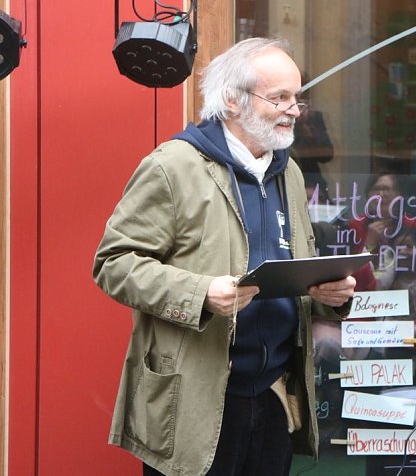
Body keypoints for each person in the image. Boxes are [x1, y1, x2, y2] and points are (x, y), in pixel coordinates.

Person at [92, 37, 356, 476]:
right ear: (232, 101)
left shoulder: (287, 170)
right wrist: (201, 293)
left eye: (297, 97)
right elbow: (114, 264)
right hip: (194, 403)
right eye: (281, 97)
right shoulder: (172, 166)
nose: (296, 109)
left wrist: (329, 292)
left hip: (273, 396)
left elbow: (289, 263)